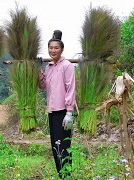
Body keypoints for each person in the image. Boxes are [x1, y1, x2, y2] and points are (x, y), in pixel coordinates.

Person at [38, 30, 76, 179]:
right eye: (51, 48)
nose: (53, 50)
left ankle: (67, 175)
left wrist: (69, 112)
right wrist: (38, 70)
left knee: (64, 147)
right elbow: (44, 86)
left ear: (62, 49)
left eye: (56, 48)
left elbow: (70, 88)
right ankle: (62, 175)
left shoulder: (67, 66)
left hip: (63, 112)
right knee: (55, 146)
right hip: (52, 111)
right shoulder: (49, 67)